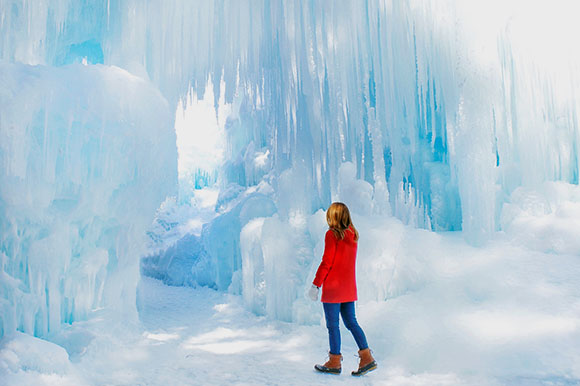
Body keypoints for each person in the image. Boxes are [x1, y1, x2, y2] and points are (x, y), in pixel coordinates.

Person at [308, 202, 377, 376]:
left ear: (333, 216)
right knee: (351, 323)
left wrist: (316, 284)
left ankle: (334, 362)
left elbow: (327, 262)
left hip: (333, 288)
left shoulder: (332, 235)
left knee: (333, 326)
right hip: (349, 289)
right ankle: (367, 357)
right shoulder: (353, 235)